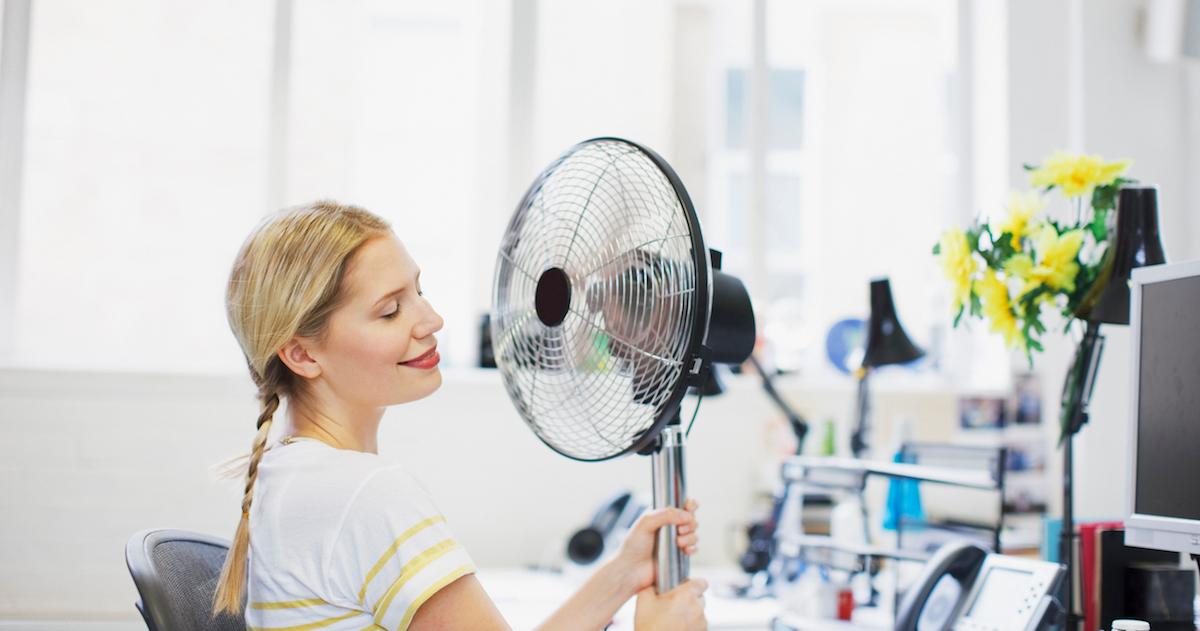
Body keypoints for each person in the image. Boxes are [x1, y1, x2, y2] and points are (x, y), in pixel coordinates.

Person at [211, 201, 709, 630]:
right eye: (390, 311)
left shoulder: (292, 473)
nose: (432, 321)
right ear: (301, 355)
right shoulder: (365, 493)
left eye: (418, 293)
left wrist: (621, 575)